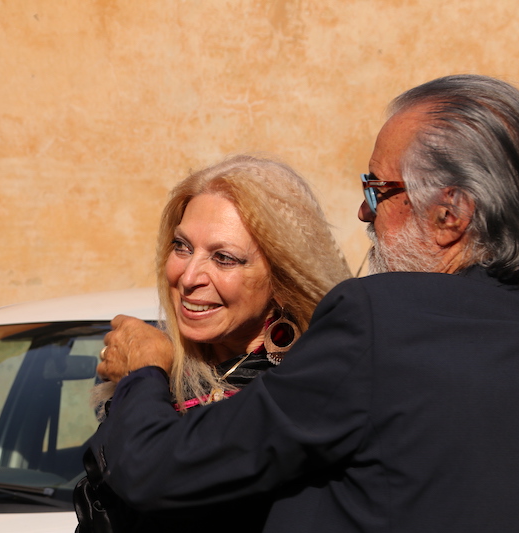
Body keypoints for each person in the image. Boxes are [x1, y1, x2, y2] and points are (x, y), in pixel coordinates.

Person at [86, 74, 519, 532]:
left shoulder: (379, 321)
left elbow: (160, 467)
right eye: (181, 246)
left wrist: (144, 371)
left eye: (376, 190)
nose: (364, 213)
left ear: (449, 215)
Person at [74, 154, 352, 532]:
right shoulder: (151, 370)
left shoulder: (312, 383)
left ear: (284, 277)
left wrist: (144, 373)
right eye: (182, 246)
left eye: (224, 258)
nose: (189, 277)